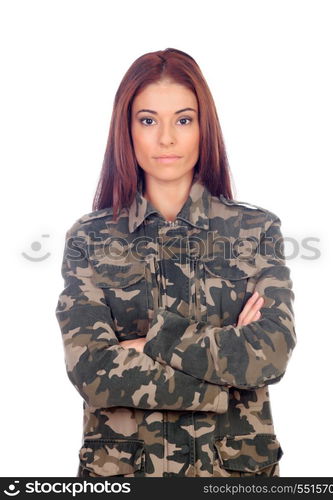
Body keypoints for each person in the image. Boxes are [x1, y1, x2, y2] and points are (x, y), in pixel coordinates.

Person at [55, 48, 296, 478]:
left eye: (183, 120)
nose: (166, 138)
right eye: (148, 120)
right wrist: (223, 374)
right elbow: (91, 370)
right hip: (125, 473)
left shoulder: (255, 230)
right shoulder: (89, 239)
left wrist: (152, 342)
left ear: (204, 128)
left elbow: (270, 354)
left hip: (233, 474)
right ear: (126, 130)